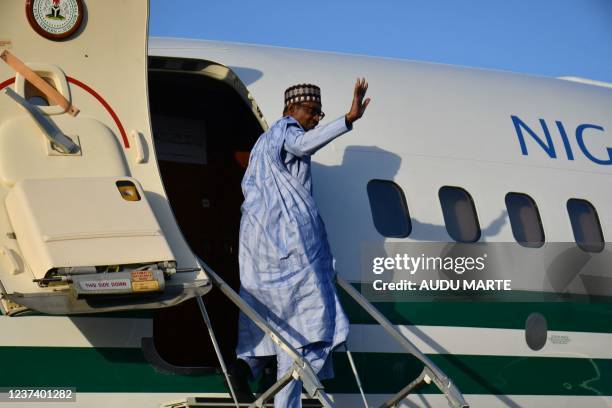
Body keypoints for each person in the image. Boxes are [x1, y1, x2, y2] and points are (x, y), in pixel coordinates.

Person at [231, 78, 370, 407]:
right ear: (292, 109)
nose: (314, 119)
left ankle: (243, 367)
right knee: (305, 328)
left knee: (275, 326)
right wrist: (347, 119)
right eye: (312, 112)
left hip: (258, 249)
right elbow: (302, 145)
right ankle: (283, 401)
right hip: (288, 248)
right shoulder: (286, 131)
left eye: (319, 115)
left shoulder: (261, 145)